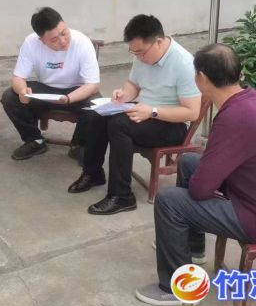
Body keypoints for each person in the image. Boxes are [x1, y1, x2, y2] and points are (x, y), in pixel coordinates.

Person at [135, 43, 256, 306]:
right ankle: (194, 249)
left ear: (201, 78)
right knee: (189, 161)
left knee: (169, 201)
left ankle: (178, 288)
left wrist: (208, 175)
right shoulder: (253, 98)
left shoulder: (233, 117)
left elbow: (200, 190)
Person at [68, 14, 202, 215]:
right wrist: (124, 95)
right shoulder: (143, 54)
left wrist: (153, 112)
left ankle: (122, 196)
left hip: (171, 124)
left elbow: (191, 112)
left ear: (158, 42)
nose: (138, 57)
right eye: (134, 52)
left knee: (119, 124)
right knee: (97, 115)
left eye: (141, 52)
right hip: (144, 111)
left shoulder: (184, 64)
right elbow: (133, 84)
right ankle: (93, 173)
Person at [1, 7, 100, 161]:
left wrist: (68, 98)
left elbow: (93, 85)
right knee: (10, 97)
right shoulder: (31, 43)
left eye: (64, 33)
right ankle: (34, 140)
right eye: (54, 39)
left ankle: (79, 146)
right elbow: (18, 77)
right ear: (42, 40)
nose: (63, 41)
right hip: (46, 90)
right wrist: (22, 91)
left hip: (77, 91)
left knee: (97, 107)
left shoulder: (82, 42)